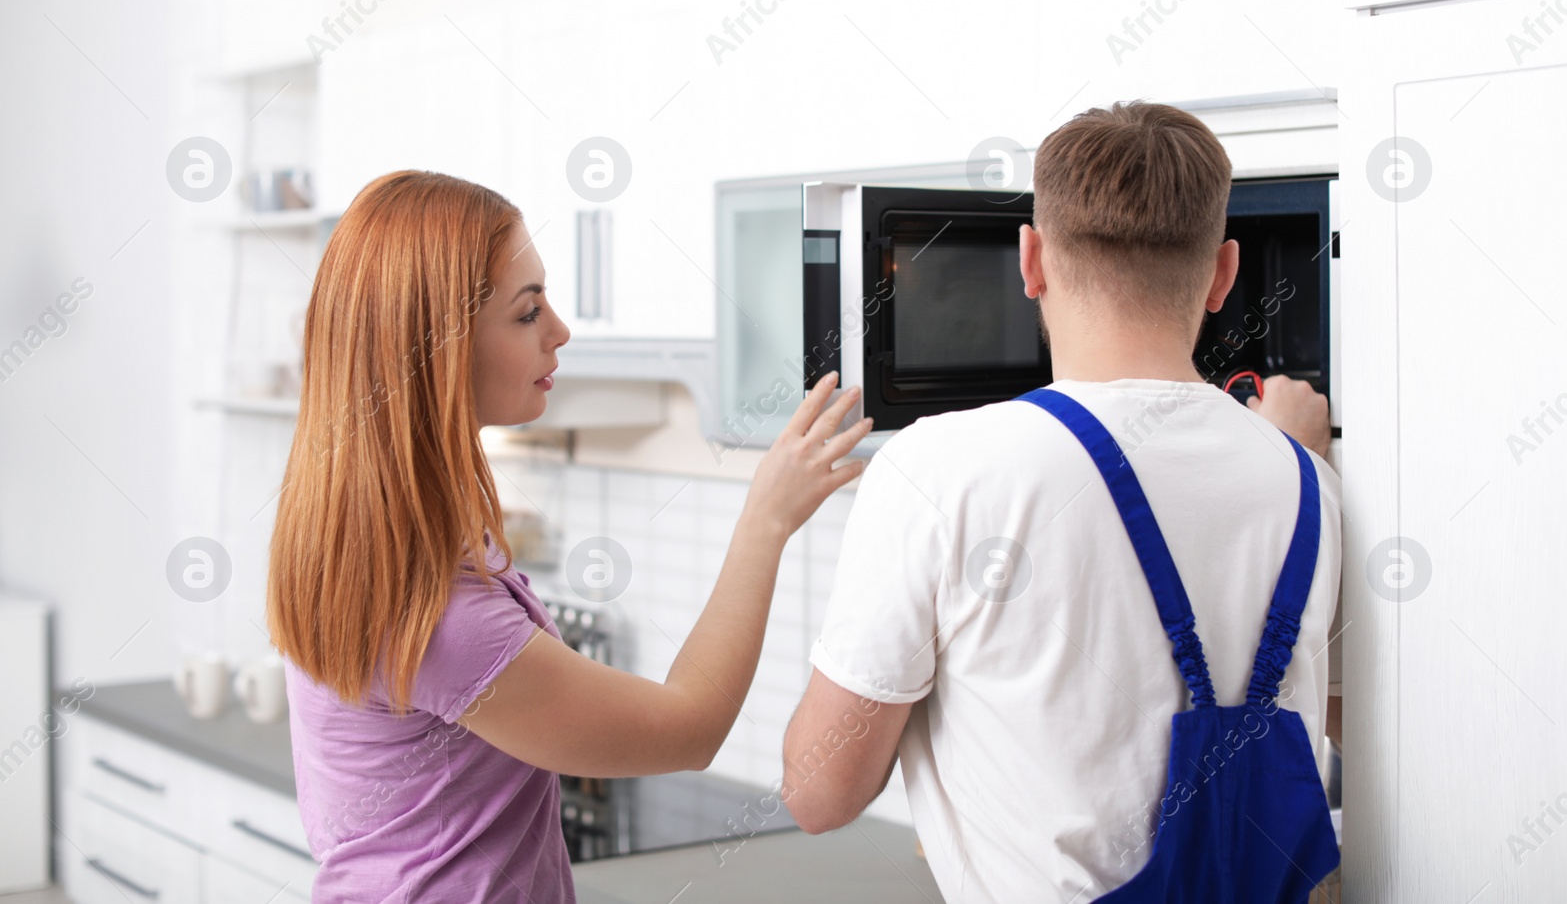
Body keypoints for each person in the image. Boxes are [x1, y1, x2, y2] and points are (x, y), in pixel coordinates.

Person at [783, 101, 1342, 901]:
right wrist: (1290, 454)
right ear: (1223, 273)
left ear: (1031, 260)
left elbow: (817, 793)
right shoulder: (1307, 480)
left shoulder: (938, 468)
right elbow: (1338, 718)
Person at [266, 170, 869, 902]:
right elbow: (691, 727)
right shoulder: (436, 612)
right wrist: (766, 520)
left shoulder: (361, 536)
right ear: (439, 347)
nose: (559, 329)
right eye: (528, 312)